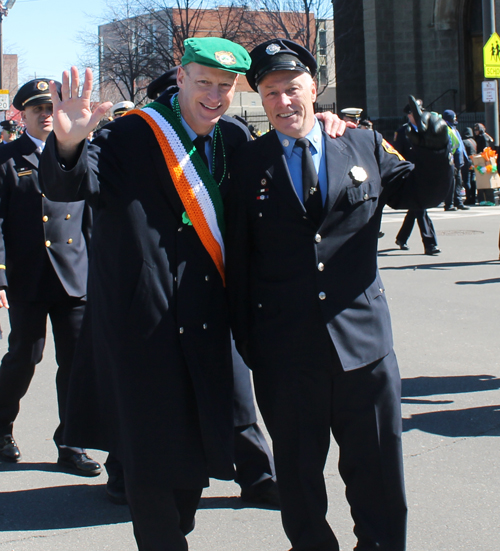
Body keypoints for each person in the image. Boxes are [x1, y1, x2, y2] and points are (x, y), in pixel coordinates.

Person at [40, 37, 349, 550]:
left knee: (189, 468)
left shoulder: (232, 136)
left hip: (207, 325)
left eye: (224, 86)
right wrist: (69, 144)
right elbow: (72, 185)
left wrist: (328, 129)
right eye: (203, 82)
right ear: (180, 78)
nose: (214, 95)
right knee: (152, 472)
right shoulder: (131, 134)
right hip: (145, 327)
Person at [225, 39, 453, 551]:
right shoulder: (245, 163)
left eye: (292, 88)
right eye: (270, 93)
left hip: (365, 348)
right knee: (300, 484)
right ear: (261, 100)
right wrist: (252, 347)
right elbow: (239, 263)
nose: (283, 102)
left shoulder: (363, 144)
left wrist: (435, 151)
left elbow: (417, 193)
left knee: (377, 475)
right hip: (286, 354)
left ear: (314, 88)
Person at [0, 78, 100, 476]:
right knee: (25, 355)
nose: (46, 115)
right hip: (27, 276)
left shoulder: (80, 154)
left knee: (76, 362)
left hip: (74, 272)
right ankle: (2, 428)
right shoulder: (7, 158)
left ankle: (71, 443)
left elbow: (92, 215)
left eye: (50, 108)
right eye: (37, 109)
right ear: (21, 115)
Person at [393, 100, 441, 255]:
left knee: (415, 209)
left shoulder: (425, 130)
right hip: (411, 175)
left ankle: (401, 237)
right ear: (409, 115)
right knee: (420, 208)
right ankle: (430, 244)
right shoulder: (402, 132)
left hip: (424, 173)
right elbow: (397, 154)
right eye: (416, 112)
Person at [442, 109, 470, 211]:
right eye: (454, 117)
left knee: (458, 182)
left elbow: (460, 145)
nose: (455, 119)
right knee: (451, 183)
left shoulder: (455, 130)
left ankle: (458, 202)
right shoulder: (445, 129)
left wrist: (465, 158)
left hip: (458, 160)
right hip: (451, 160)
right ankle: (449, 204)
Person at [462, 127, 477, 205]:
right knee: (473, 180)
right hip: (474, 161)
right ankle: (473, 197)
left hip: (467, 162)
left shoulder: (464, 142)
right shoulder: (473, 141)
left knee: (466, 180)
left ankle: (469, 197)